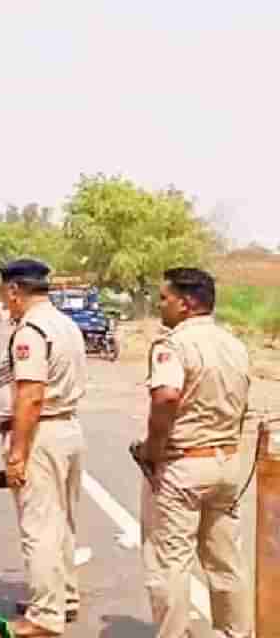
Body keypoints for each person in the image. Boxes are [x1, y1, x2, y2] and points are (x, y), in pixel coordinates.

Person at [136, 268, 250, 638]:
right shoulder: (234, 345)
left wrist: (152, 452)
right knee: (225, 561)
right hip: (226, 462)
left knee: (170, 563)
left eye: (165, 298)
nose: (160, 304)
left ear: (186, 304)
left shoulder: (174, 345)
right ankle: (235, 632)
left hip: (183, 464)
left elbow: (167, 397)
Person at [0, 259, 86, 637]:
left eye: (4, 294)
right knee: (61, 520)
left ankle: (45, 615)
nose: (4, 302)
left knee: (39, 525)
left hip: (40, 432)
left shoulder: (31, 330)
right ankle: (64, 597)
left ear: (15, 290)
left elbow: (30, 395)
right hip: (67, 430)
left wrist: (17, 453)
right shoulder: (65, 325)